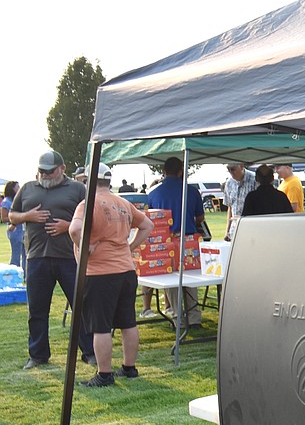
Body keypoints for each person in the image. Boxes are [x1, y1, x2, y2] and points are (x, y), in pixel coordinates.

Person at [68, 164, 154, 387]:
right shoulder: (123, 203)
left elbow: (74, 230)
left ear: (88, 182)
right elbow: (147, 224)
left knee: (101, 326)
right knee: (128, 322)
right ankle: (129, 368)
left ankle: (104, 374)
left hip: (100, 273)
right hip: (126, 270)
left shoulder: (87, 204)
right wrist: (131, 246)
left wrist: (84, 248)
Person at [8, 151, 95, 368]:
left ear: (62, 168)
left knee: (81, 306)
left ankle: (90, 352)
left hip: (69, 257)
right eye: (42, 171)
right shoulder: (27, 188)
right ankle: (37, 355)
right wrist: (27, 217)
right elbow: (11, 215)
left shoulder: (77, 189)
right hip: (36, 258)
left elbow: (93, 217)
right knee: (36, 309)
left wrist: (68, 227)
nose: (45, 175)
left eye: (50, 171)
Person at [146, 157, 206, 327]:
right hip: (189, 240)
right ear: (181, 171)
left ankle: (177, 317)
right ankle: (194, 317)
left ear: (164, 172)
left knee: (170, 280)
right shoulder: (191, 191)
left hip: (166, 241)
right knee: (191, 278)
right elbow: (200, 217)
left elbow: (150, 219)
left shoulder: (153, 193)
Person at [223, 162, 256, 241]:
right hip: (234, 230)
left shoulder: (254, 179)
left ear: (241, 166)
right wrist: (227, 231)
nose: (231, 172)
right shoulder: (229, 183)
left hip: (251, 229)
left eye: (233, 169)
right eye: (228, 169)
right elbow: (230, 208)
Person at [2, 180, 24, 270]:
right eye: (17, 187)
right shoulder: (6, 202)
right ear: (12, 189)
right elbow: (4, 218)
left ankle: (25, 274)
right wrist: (16, 219)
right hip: (14, 231)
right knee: (16, 255)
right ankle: (13, 273)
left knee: (26, 254)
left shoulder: (18, 200)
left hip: (23, 230)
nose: (19, 189)